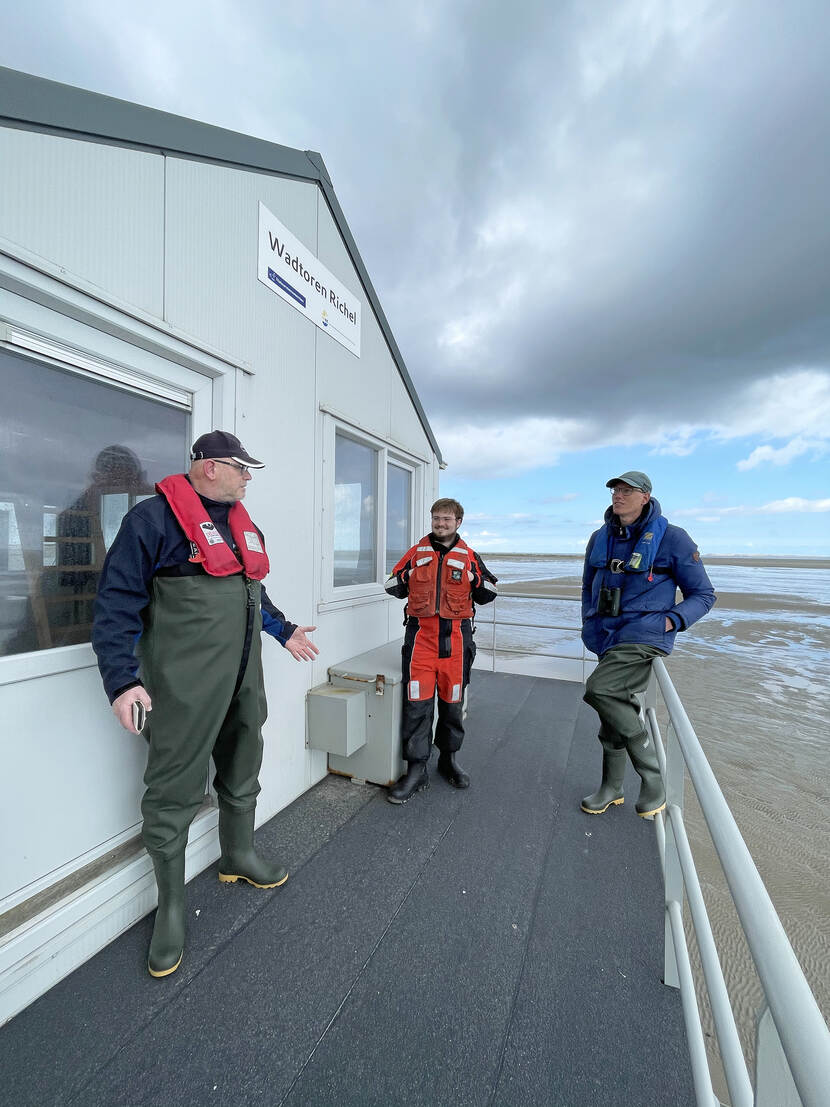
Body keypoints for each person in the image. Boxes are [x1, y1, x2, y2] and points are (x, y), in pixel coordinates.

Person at [92, 430, 318, 978]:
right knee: (173, 790)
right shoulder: (151, 522)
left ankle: (238, 855)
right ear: (210, 467)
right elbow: (116, 603)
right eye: (242, 468)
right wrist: (122, 682)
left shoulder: (240, 524)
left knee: (244, 763)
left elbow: (250, 590)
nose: (248, 478)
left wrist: (282, 629)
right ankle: (170, 908)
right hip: (184, 687)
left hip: (244, 679)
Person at [580, 471, 715, 818]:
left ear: (645, 496)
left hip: (644, 634)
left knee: (600, 689)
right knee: (613, 708)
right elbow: (587, 587)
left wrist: (672, 620)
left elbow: (703, 594)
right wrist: (588, 620)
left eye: (628, 491)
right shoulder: (600, 537)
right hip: (606, 636)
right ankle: (612, 788)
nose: (619, 496)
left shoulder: (673, 538)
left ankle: (653, 776)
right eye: (615, 491)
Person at [384, 498, 498, 803]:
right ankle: (416, 769)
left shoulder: (470, 556)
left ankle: (448, 761)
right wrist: (409, 576)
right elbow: (392, 585)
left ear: (458, 522)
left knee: (452, 706)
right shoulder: (416, 552)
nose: (440, 524)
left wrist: (475, 579)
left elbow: (490, 593)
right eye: (436, 518)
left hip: (457, 643)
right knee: (416, 707)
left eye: (447, 519)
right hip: (420, 642)